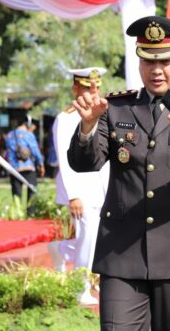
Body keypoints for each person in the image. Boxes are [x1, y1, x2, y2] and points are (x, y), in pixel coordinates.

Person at [67, 16, 170, 331]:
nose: (156, 69)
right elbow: (85, 163)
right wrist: (87, 128)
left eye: (166, 61)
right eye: (147, 61)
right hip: (122, 251)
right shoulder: (116, 108)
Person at [49, 67, 111, 306]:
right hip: (82, 190)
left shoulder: (105, 112)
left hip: (102, 187)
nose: (93, 91)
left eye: (96, 86)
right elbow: (65, 160)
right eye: (87, 87)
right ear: (76, 88)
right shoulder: (66, 118)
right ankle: (81, 287)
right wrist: (73, 195)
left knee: (94, 237)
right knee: (86, 237)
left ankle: (63, 254)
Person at [5, 116, 44, 216]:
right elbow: (35, 150)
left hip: (14, 168)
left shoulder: (9, 135)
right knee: (32, 190)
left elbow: (8, 152)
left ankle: (17, 213)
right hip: (28, 166)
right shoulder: (28, 135)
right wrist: (41, 163)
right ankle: (30, 213)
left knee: (16, 193)